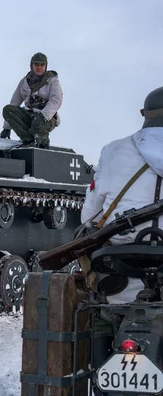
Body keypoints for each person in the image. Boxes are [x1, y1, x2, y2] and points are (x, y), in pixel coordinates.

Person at [79, 86, 163, 373]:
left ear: (144, 115)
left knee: (102, 317)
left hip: (120, 279)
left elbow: (88, 214)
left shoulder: (113, 151)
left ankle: (100, 367)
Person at [0, 52, 63, 149]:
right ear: (31, 65)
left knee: (37, 127)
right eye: (36, 65)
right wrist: (7, 128)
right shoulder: (24, 82)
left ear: (46, 66)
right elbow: (14, 102)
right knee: (8, 110)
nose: (39, 68)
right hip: (29, 114)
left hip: (47, 117)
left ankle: (43, 142)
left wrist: (43, 116)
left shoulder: (52, 81)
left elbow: (56, 100)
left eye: (42, 65)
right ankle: (28, 140)